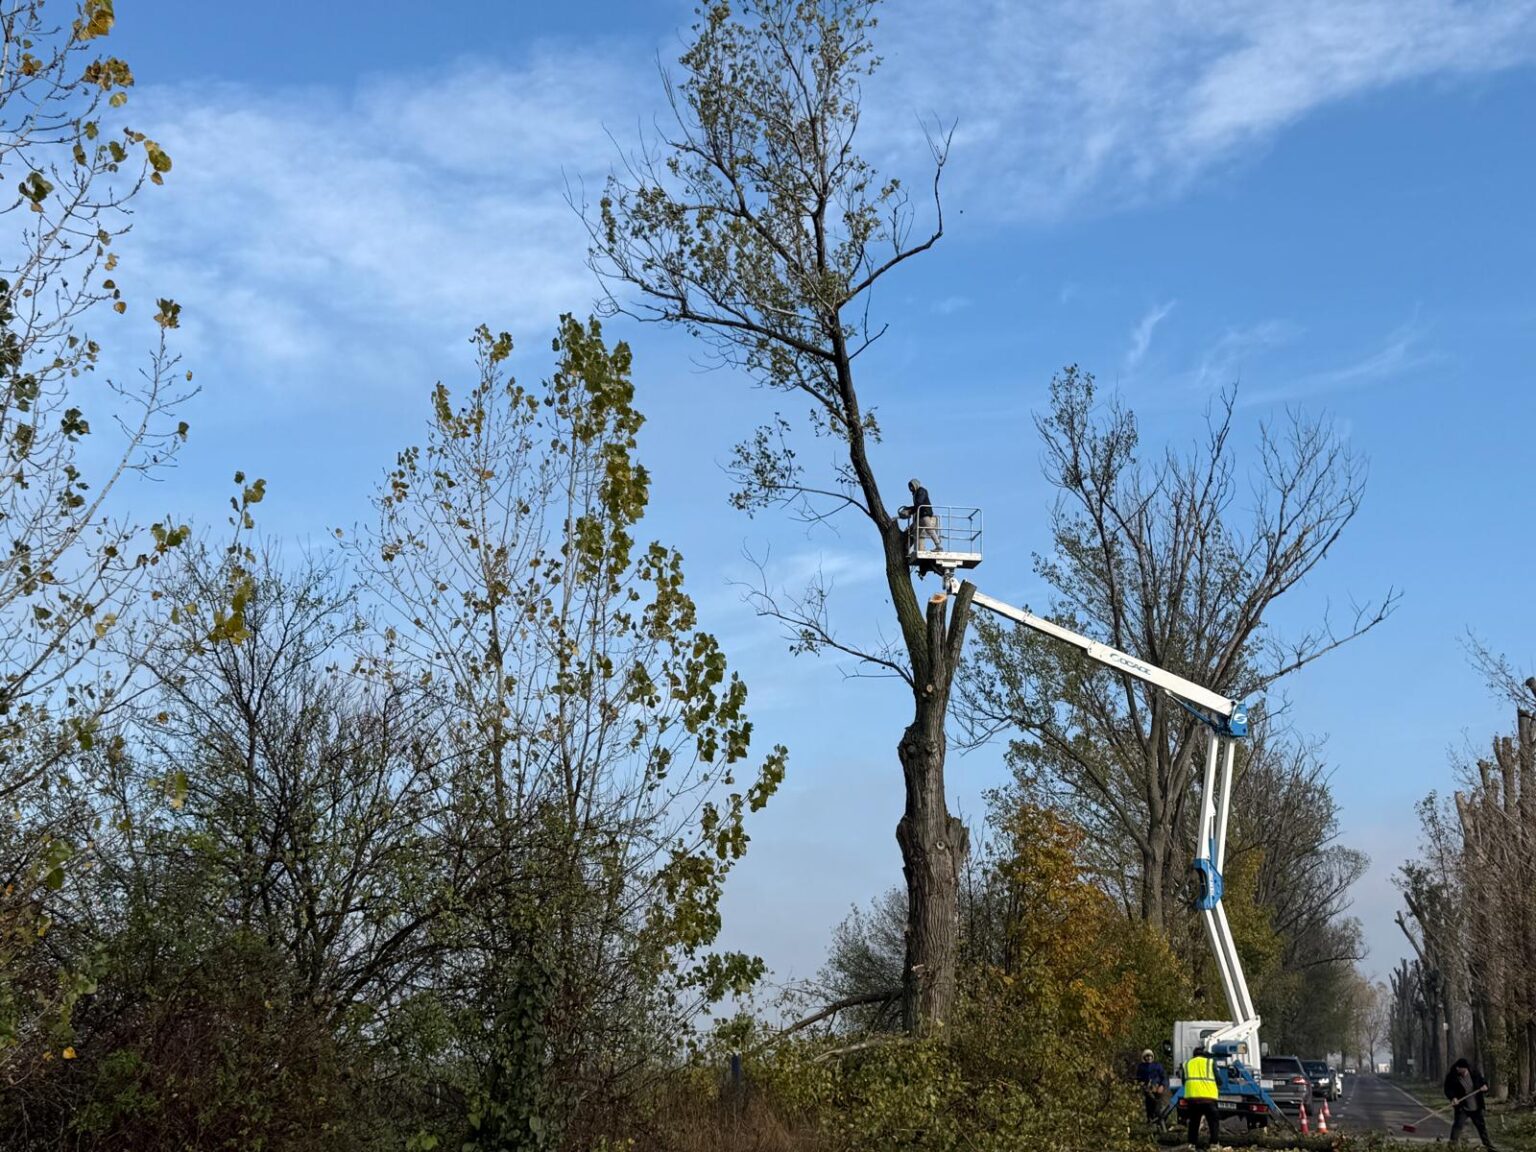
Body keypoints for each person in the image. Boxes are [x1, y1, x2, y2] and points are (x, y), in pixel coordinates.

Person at [1445, 1057, 1496, 1150]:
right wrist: (1453, 1098)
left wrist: (1485, 1087)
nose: (1460, 1071)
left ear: (1466, 1068)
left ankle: (1489, 1146)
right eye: (1459, 1069)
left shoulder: (1474, 1074)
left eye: (1462, 1069)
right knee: (1457, 1126)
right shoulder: (1452, 1076)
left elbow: (1483, 1082)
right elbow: (1448, 1089)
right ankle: (1452, 1146)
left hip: (1476, 1106)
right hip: (1462, 1107)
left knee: (1481, 1127)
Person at [1182, 1045, 1221, 1148]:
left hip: (1193, 1099)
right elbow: (1219, 1080)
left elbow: (1184, 1081)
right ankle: (1214, 1144)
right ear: (1204, 1055)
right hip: (1209, 1099)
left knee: (1194, 1123)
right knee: (1213, 1122)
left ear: (1194, 1055)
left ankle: (1192, 1144)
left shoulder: (1187, 1064)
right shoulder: (1209, 1062)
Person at [907, 478, 942, 552]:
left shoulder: (921, 491)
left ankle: (939, 546)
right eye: (910, 487)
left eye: (912, 486)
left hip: (924, 514)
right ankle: (909, 549)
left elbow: (919, 503)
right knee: (915, 533)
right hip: (920, 516)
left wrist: (909, 511)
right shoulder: (915, 493)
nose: (910, 488)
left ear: (915, 485)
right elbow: (917, 505)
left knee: (930, 530)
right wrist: (909, 509)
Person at [1136, 1048, 1168, 1124]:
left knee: (1158, 1106)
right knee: (1149, 1106)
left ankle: (1159, 1122)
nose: (1149, 1057)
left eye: (1150, 1056)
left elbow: (1164, 1077)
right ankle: (1150, 1121)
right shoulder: (1141, 1067)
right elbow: (1139, 1078)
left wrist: (1162, 1086)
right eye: (1147, 1056)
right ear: (1144, 1057)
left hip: (1157, 1089)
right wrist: (1143, 1086)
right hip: (1148, 1090)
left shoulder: (1158, 1066)